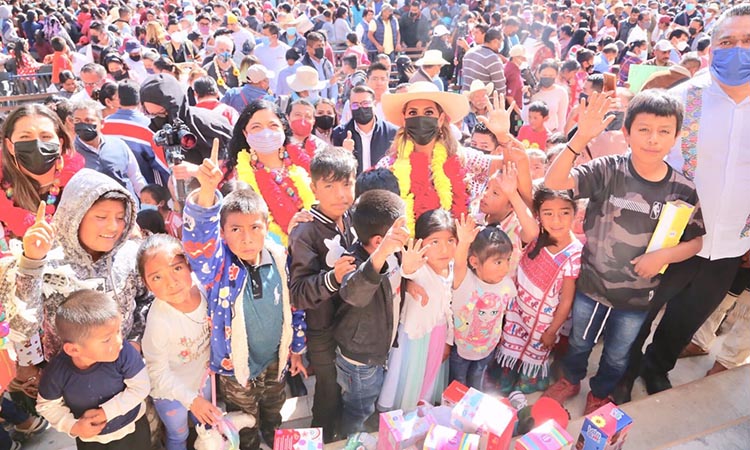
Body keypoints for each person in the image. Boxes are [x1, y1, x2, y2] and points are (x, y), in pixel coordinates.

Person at [542, 90, 705, 415]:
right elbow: (554, 182)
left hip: (636, 299)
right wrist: (578, 141)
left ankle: (601, 391)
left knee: (618, 354)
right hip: (591, 288)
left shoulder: (683, 188)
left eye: (664, 131)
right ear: (627, 133)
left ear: (675, 138)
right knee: (579, 343)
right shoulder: (608, 170)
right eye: (643, 129)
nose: (653, 139)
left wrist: (661, 257)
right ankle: (571, 379)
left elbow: (696, 240)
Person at [621, 4, 750, 401]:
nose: (738, 50)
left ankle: (657, 367)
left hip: (730, 243)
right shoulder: (680, 100)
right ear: (711, 47)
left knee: (688, 317)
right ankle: (622, 372)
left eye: (748, 42)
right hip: (673, 238)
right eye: (727, 41)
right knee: (640, 313)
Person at [182, 144, 307, 450]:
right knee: (243, 419)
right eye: (236, 229)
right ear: (222, 233)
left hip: (273, 361)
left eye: (255, 227)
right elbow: (199, 243)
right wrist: (207, 194)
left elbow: (294, 307)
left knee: (273, 409)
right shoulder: (218, 266)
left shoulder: (279, 258)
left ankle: (275, 439)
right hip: (235, 369)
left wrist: (297, 349)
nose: (247, 237)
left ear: (267, 229)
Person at [14, 168, 152, 366]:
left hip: (124, 375)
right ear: (75, 216)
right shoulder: (45, 261)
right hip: (64, 383)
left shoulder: (130, 256)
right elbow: (22, 328)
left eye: (121, 217)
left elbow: (147, 299)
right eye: (101, 217)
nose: (113, 227)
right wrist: (32, 264)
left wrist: (134, 341)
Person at [378, 82, 532, 232]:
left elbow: (513, 168)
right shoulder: (387, 168)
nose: (420, 118)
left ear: (440, 119)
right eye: (412, 113)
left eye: (428, 112)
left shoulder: (464, 159)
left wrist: (503, 136)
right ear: (404, 120)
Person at [288, 147, 358, 442]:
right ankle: (323, 438)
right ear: (314, 188)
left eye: (346, 184)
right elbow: (298, 294)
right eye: (329, 186)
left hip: (351, 325)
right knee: (327, 391)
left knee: (348, 387)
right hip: (322, 329)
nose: (340, 194)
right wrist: (332, 278)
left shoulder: (352, 216)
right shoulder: (305, 231)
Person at [37, 290, 151, 448]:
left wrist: (106, 412)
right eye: (107, 339)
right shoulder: (57, 373)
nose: (119, 341)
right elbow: (47, 406)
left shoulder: (123, 352)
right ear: (73, 350)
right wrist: (74, 426)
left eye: (118, 331)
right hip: (91, 440)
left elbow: (141, 387)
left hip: (132, 428)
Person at [139, 234, 221, 450]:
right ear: (145, 283)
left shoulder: (204, 289)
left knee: (205, 425)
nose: (171, 282)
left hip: (202, 381)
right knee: (178, 434)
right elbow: (157, 372)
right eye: (157, 277)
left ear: (189, 265)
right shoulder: (158, 321)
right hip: (171, 392)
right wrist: (191, 400)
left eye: (177, 268)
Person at [497, 187, 582, 394]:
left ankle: (530, 380)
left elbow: (566, 300)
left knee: (535, 353)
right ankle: (507, 375)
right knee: (510, 344)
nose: (557, 220)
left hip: (542, 322)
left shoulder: (574, 253)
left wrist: (552, 331)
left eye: (564, 212)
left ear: (575, 213)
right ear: (538, 216)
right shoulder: (534, 235)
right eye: (548, 213)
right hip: (517, 310)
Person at [336, 190, 407, 435]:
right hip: (360, 361)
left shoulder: (395, 253)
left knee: (369, 402)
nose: (407, 234)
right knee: (359, 409)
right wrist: (382, 254)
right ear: (379, 241)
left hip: (378, 351)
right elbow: (354, 292)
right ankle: (352, 438)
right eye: (401, 230)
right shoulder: (352, 261)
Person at [378, 209, 456, 411]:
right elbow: (406, 272)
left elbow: (448, 309)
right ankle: (400, 413)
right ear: (420, 243)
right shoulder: (419, 268)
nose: (444, 249)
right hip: (412, 338)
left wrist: (448, 339)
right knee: (407, 376)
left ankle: (422, 411)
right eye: (435, 242)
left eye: (450, 240)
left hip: (437, 333)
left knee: (429, 376)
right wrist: (409, 267)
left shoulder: (450, 269)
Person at [224, 100, 316, 245]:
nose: (266, 133)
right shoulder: (237, 176)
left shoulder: (306, 162)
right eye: (256, 127)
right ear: (245, 133)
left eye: (273, 125)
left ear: (284, 128)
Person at [0, 104, 82, 246]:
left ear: (60, 143)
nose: (37, 144)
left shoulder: (81, 186)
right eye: (25, 137)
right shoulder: (3, 186)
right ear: (10, 146)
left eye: (46, 136)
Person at [449, 216, 515, 390]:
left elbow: (504, 313)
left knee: (477, 381)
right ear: (474, 262)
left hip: (488, 348)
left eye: (507, 260)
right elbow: (458, 265)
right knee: (458, 382)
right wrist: (463, 242)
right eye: (498, 262)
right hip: (461, 349)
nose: (505, 267)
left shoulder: (506, 284)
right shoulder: (466, 283)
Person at [140, 74, 232, 164]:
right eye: (151, 114)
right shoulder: (152, 131)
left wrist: (196, 172)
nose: (157, 119)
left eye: (162, 113)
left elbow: (229, 161)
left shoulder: (207, 124)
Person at [71, 100, 146, 199]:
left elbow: (135, 178)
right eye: (78, 121)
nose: (83, 125)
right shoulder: (71, 153)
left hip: (128, 208)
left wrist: (147, 203)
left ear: (101, 123)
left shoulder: (118, 145)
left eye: (88, 120)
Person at [101, 80, 170, 187]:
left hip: (111, 187)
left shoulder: (104, 124)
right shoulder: (148, 126)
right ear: (139, 100)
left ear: (119, 99)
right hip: (145, 190)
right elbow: (162, 165)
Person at [332, 85, 397, 174]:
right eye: (355, 105)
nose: (360, 108)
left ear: (374, 104)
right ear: (350, 107)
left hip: (382, 186)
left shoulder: (392, 133)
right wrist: (344, 153)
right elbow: (335, 170)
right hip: (353, 186)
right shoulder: (339, 133)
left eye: (365, 103)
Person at [461, 27, 506, 95]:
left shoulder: (470, 52)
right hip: (483, 102)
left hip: (467, 99)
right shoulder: (493, 59)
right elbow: (500, 89)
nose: (501, 45)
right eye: (502, 41)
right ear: (495, 41)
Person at [286, 99, 328, 171]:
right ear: (288, 117)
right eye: (298, 115)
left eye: (308, 117)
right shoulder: (279, 144)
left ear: (313, 121)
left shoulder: (322, 148)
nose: (303, 120)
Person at [531, 61, 568, 134]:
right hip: (531, 133)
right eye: (544, 74)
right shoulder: (531, 91)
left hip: (551, 134)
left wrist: (559, 136)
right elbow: (524, 117)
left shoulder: (561, 92)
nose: (547, 77)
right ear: (539, 74)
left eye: (551, 76)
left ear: (556, 75)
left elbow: (562, 118)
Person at [300, 31, 339, 102]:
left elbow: (333, 85)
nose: (321, 48)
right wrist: (328, 82)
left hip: (327, 105)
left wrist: (333, 100)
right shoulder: (302, 65)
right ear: (309, 48)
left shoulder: (327, 63)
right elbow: (308, 87)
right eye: (318, 46)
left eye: (323, 45)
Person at [254, 23, 291, 93]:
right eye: (262, 34)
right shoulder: (257, 49)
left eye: (265, 35)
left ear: (274, 36)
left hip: (279, 91)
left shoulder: (286, 50)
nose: (262, 37)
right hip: (261, 90)